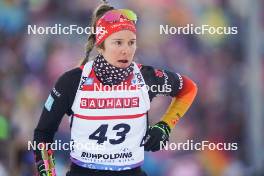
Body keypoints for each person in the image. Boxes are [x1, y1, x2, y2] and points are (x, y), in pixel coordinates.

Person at [33, 1, 198, 176]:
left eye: (131, 43)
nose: (126, 50)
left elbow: (188, 88)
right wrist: (48, 174)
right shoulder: (72, 81)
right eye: (118, 43)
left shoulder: (145, 77)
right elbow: (43, 133)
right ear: (101, 46)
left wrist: (165, 126)